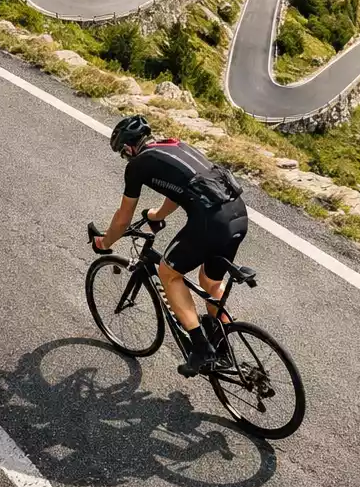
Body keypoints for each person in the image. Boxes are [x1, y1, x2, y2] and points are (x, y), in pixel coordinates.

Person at [92, 114, 249, 376]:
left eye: (123, 153)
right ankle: (221, 345)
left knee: (168, 273)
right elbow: (178, 190)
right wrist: (156, 216)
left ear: (129, 147)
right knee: (210, 282)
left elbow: (122, 219)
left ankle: (201, 348)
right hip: (237, 214)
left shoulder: (138, 165)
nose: (125, 158)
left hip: (211, 221)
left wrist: (104, 242)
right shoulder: (174, 145)